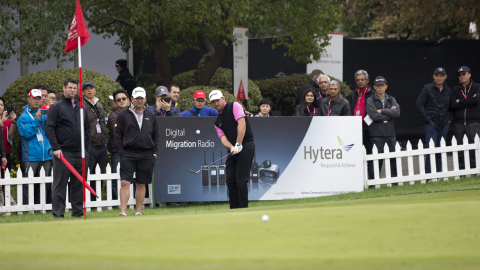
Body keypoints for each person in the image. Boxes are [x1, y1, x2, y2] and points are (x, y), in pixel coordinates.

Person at [47, 78, 91, 218]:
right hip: (63, 153)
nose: (72, 90)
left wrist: (87, 149)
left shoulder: (81, 106)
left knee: (78, 185)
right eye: (70, 87)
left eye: (74, 88)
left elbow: (87, 129)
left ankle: (77, 213)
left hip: (80, 152)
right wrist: (56, 148)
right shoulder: (57, 106)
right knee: (60, 185)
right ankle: (58, 214)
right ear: (64, 88)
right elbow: (50, 128)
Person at [115, 87, 158, 216]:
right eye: (137, 98)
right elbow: (117, 135)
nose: (139, 101)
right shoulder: (123, 113)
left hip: (146, 153)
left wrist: (154, 152)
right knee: (124, 182)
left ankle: (138, 212)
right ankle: (123, 212)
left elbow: (156, 135)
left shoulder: (150, 114)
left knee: (141, 183)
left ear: (145, 99)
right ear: (132, 99)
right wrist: (121, 152)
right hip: (128, 152)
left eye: (141, 98)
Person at [210, 90, 255, 209]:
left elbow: (242, 124)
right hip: (233, 149)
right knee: (230, 180)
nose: (216, 103)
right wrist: (232, 147)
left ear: (223, 99)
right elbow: (223, 139)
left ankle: (243, 208)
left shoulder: (234, 106)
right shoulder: (217, 121)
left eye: (217, 100)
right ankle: (234, 209)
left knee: (241, 180)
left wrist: (239, 144)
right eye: (213, 102)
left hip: (246, 144)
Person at [17, 89, 52, 205]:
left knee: (45, 184)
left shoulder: (43, 113)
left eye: (38, 99)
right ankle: (28, 208)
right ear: (28, 99)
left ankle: (44, 207)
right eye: (34, 99)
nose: (37, 101)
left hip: (46, 156)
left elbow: (49, 133)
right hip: (31, 157)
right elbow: (27, 134)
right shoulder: (23, 117)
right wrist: (37, 120)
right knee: (29, 185)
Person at [416, 67, 452, 174]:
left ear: (445, 77)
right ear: (433, 76)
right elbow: (419, 104)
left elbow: (452, 107)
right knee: (431, 149)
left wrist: (449, 119)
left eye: (441, 76)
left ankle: (438, 174)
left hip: (444, 123)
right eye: (437, 76)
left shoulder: (449, 91)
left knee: (440, 149)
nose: (439, 78)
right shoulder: (427, 89)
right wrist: (428, 119)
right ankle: (429, 175)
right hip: (432, 123)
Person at [366, 76, 400, 178]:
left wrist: (382, 110)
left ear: (386, 86)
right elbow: (374, 116)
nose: (380, 87)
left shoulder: (391, 99)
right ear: (374, 87)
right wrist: (390, 113)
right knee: (376, 160)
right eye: (378, 86)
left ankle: (395, 182)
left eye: (382, 85)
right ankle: (373, 183)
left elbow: (397, 113)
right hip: (376, 134)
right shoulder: (370, 100)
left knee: (393, 159)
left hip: (390, 133)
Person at [347, 69, 376, 179]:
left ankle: (372, 180)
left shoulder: (373, 94)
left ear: (367, 80)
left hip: (368, 130)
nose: (360, 82)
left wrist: (364, 123)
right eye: (358, 80)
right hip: (354, 131)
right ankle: (356, 180)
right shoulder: (352, 95)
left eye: (362, 80)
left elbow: (375, 112)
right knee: (354, 156)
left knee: (370, 155)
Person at [450, 66, 480, 170]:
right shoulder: (455, 89)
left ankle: (474, 167)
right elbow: (453, 105)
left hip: (473, 121)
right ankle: (461, 169)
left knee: (474, 145)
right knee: (459, 146)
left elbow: (476, 100)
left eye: (464, 74)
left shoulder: (477, 87)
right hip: (459, 122)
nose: (462, 76)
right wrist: (469, 102)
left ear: (469, 74)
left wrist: (461, 101)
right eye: (460, 75)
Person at [82, 81, 107, 200]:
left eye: (91, 88)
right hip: (90, 145)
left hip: (101, 144)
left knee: (101, 173)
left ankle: (97, 197)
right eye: (86, 89)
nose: (89, 90)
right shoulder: (81, 105)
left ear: (95, 90)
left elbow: (102, 123)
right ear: (82, 92)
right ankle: (89, 199)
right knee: (89, 173)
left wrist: (105, 139)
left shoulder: (99, 105)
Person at [108, 89, 130, 201]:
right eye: (118, 100)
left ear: (128, 100)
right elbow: (116, 131)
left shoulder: (134, 113)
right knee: (116, 178)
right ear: (115, 102)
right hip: (117, 151)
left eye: (123, 99)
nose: (121, 101)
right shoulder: (112, 116)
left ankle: (132, 201)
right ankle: (118, 201)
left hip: (132, 151)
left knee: (132, 178)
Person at [0, 97, 16, 177]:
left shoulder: (8, 121)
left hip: (6, 155)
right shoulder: (3, 120)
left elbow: (11, 136)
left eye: (2, 105)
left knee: (5, 182)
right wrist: (1, 122)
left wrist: (13, 121)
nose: (0, 107)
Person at [0, 98, 10, 206]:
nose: (0, 107)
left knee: (3, 183)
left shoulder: (6, 121)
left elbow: (3, 141)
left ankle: (4, 205)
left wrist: (3, 154)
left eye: (2, 105)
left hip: (3, 154)